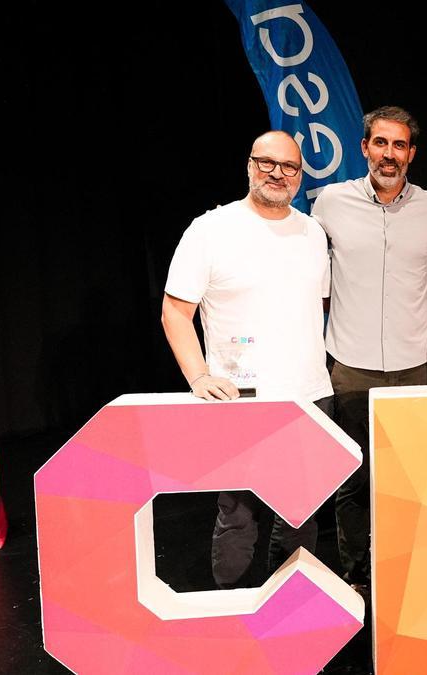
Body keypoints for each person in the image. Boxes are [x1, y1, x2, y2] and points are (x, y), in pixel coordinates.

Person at [161, 130, 333, 588]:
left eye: (289, 167)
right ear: (249, 165)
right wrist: (198, 375)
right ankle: (232, 619)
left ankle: (289, 614)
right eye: (267, 162)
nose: (278, 173)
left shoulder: (313, 233)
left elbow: (315, 306)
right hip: (241, 400)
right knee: (238, 516)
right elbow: (175, 312)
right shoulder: (210, 230)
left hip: (309, 396)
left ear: (300, 176)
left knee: (301, 516)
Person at [310, 105, 427, 590]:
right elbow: (311, 270)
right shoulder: (330, 202)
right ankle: (355, 573)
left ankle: (404, 574)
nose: (388, 154)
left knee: (409, 479)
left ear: (411, 154)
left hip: (415, 364)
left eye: (399, 145)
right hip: (349, 365)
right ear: (364, 148)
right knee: (353, 479)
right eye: (380, 143)